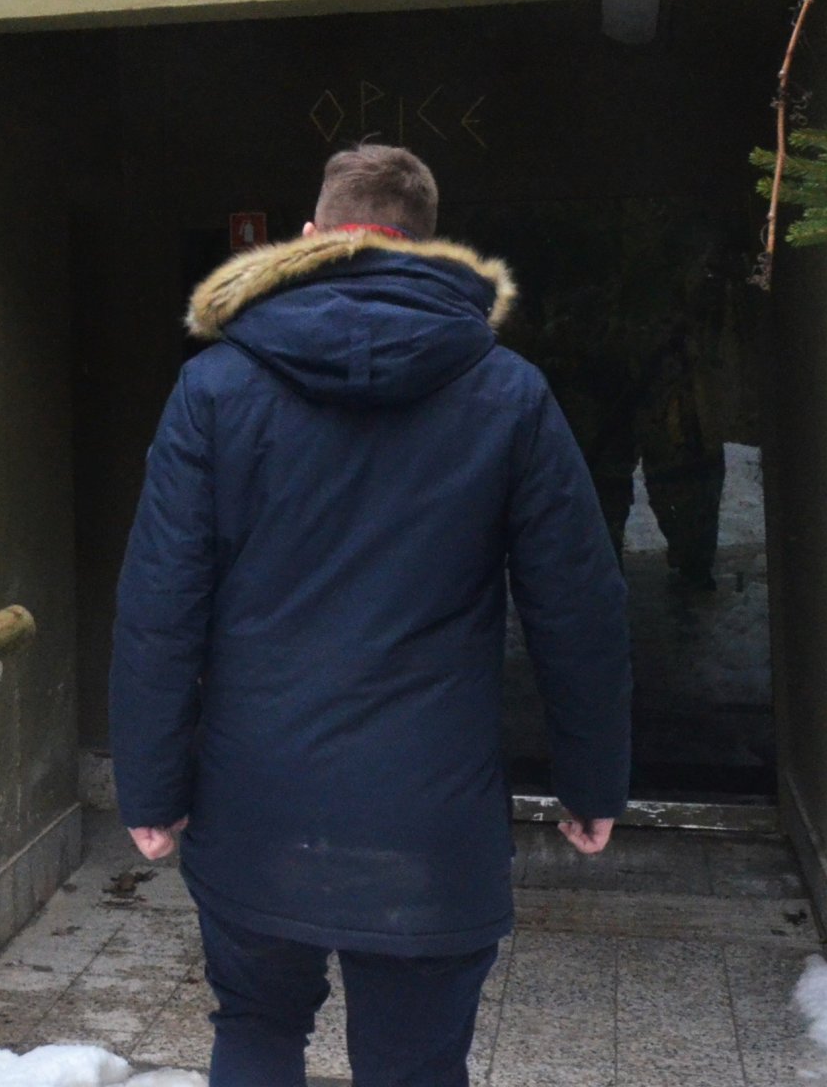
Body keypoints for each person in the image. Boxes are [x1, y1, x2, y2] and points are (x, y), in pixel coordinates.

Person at [110, 143, 630, 1087]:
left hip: (255, 800)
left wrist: (149, 788)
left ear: (309, 238)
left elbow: (159, 603)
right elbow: (576, 606)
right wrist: (591, 780)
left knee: (257, 1027)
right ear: (430, 249)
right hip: (429, 817)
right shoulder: (508, 393)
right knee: (415, 1065)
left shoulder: (215, 388)